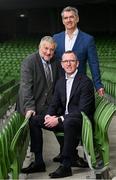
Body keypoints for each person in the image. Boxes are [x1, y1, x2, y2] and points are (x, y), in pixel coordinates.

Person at [20, 51, 95, 178]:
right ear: (62, 64)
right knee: (33, 120)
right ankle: (38, 162)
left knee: (69, 122)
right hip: (64, 120)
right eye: (65, 61)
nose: (68, 64)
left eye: (71, 61)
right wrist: (49, 116)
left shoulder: (85, 82)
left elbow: (83, 111)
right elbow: (54, 104)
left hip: (79, 121)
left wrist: (59, 119)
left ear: (77, 63)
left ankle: (66, 165)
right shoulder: (60, 82)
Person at [53, 6, 104, 162]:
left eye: (71, 17)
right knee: (57, 117)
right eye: (65, 18)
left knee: (74, 118)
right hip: (61, 86)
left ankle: (71, 153)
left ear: (77, 19)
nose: (68, 20)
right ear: (62, 20)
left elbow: (94, 64)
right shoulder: (56, 38)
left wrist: (98, 84)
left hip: (79, 88)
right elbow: (53, 63)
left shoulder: (87, 39)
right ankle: (66, 151)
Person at [16, 36, 60, 173]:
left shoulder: (55, 62)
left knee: (63, 120)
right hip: (31, 103)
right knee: (33, 121)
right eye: (46, 48)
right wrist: (29, 107)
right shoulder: (29, 62)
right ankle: (38, 161)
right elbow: (26, 87)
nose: (48, 52)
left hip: (47, 104)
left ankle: (68, 154)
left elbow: (56, 86)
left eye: (51, 50)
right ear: (39, 47)